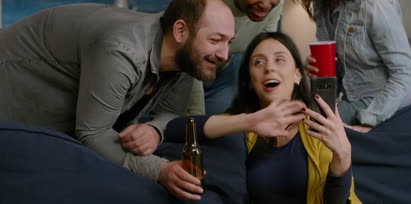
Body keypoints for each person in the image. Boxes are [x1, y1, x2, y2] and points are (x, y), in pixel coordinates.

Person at [163, 32, 411, 204]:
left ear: (297, 75)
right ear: (250, 82)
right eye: (258, 62)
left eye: (280, 59)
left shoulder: (317, 124)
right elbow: (176, 127)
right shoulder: (240, 128)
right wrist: (249, 120)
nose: (269, 68)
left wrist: (342, 156)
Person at [0, 0, 235, 182]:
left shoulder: (185, 58)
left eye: (229, 42)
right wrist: (160, 170)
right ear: (180, 31)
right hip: (13, 93)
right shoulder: (122, 50)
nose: (224, 54)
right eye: (216, 40)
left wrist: (154, 130)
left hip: (60, 124)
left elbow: (171, 114)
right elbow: (93, 134)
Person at [298, 0, 411, 132]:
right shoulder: (321, 6)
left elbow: (404, 72)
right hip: (352, 101)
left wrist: (368, 124)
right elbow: (343, 70)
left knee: (305, 129)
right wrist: (317, 68)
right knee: (300, 122)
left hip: (380, 105)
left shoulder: (376, 6)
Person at [188, 0, 285, 116]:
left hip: (224, 70)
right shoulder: (203, 5)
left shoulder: (275, 6)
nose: (265, 5)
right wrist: (196, 116)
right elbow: (190, 58)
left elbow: (264, 52)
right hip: (188, 70)